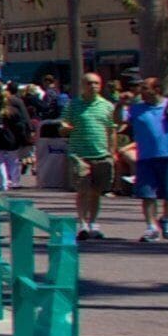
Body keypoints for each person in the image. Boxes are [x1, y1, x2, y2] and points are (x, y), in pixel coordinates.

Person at [124, 75, 168, 243]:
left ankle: (166, 219)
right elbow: (119, 120)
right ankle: (151, 227)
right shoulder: (136, 108)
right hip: (145, 157)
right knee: (147, 195)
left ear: (156, 90)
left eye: (145, 88)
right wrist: (119, 105)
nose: (141, 91)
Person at [66, 71, 119, 238]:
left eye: (96, 83)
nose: (93, 86)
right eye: (89, 83)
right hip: (79, 154)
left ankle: (93, 223)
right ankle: (82, 224)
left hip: (101, 154)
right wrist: (64, 127)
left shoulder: (107, 106)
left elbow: (111, 130)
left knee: (96, 191)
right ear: (83, 86)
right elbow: (64, 122)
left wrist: (112, 152)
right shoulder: (73, 105)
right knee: (82, 189)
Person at [0, 86, 38, 191]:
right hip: (11, 138)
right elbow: (20, 125)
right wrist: (24, 136)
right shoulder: (14, 111)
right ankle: (15, 181)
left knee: (0, 161)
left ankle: (3, 183)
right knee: (13, 160)